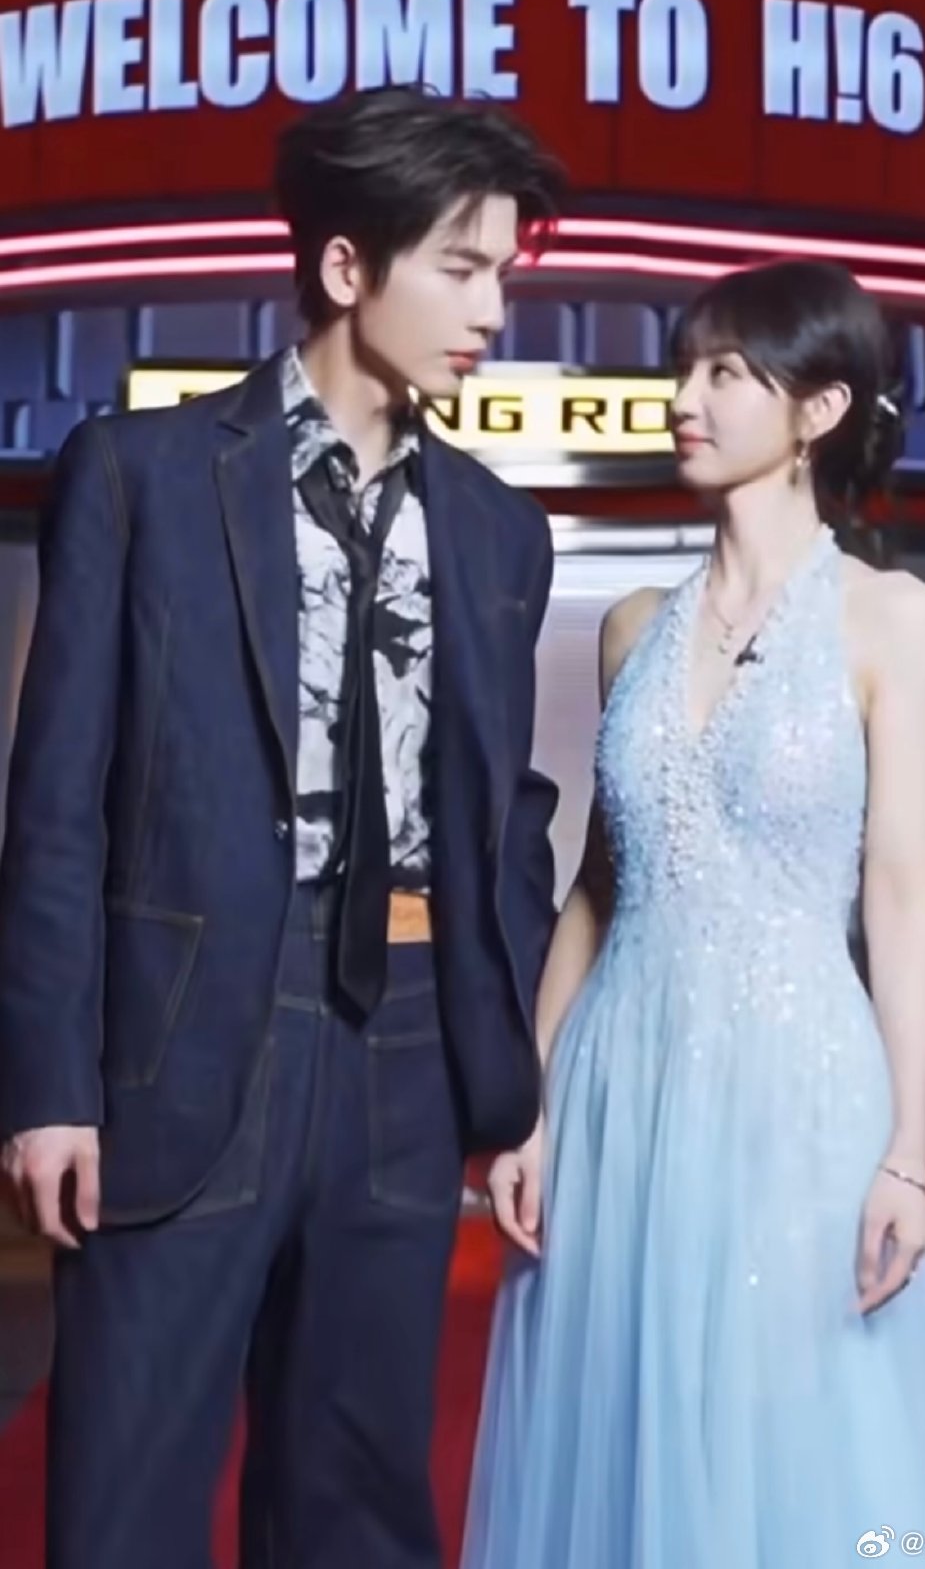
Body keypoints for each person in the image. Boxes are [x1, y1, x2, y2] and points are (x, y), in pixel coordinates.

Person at [0, 84, 563, 1569]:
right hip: (187, 1028)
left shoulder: (498, 530)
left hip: (406, 1039)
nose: (492, 310)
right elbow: (55, 807)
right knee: (126, 1486)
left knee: (356, 1491)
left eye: (504, 270)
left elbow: (503, 817)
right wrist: (49, 1087)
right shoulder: (142, 476)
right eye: (461, 266)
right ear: (343, 265)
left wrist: (511, 1081)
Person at [462, 259, 925, 1568]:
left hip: (797, 1090)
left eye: (724, 375)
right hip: (620, 1086)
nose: (683, 400)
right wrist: (533, 1106)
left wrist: (909, 1151)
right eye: (683, 370)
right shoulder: (631, 627)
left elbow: (899, 890)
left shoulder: (894, 618)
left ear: (820, 410)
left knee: (789, 1437)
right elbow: (597, 888)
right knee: (621, 1441)